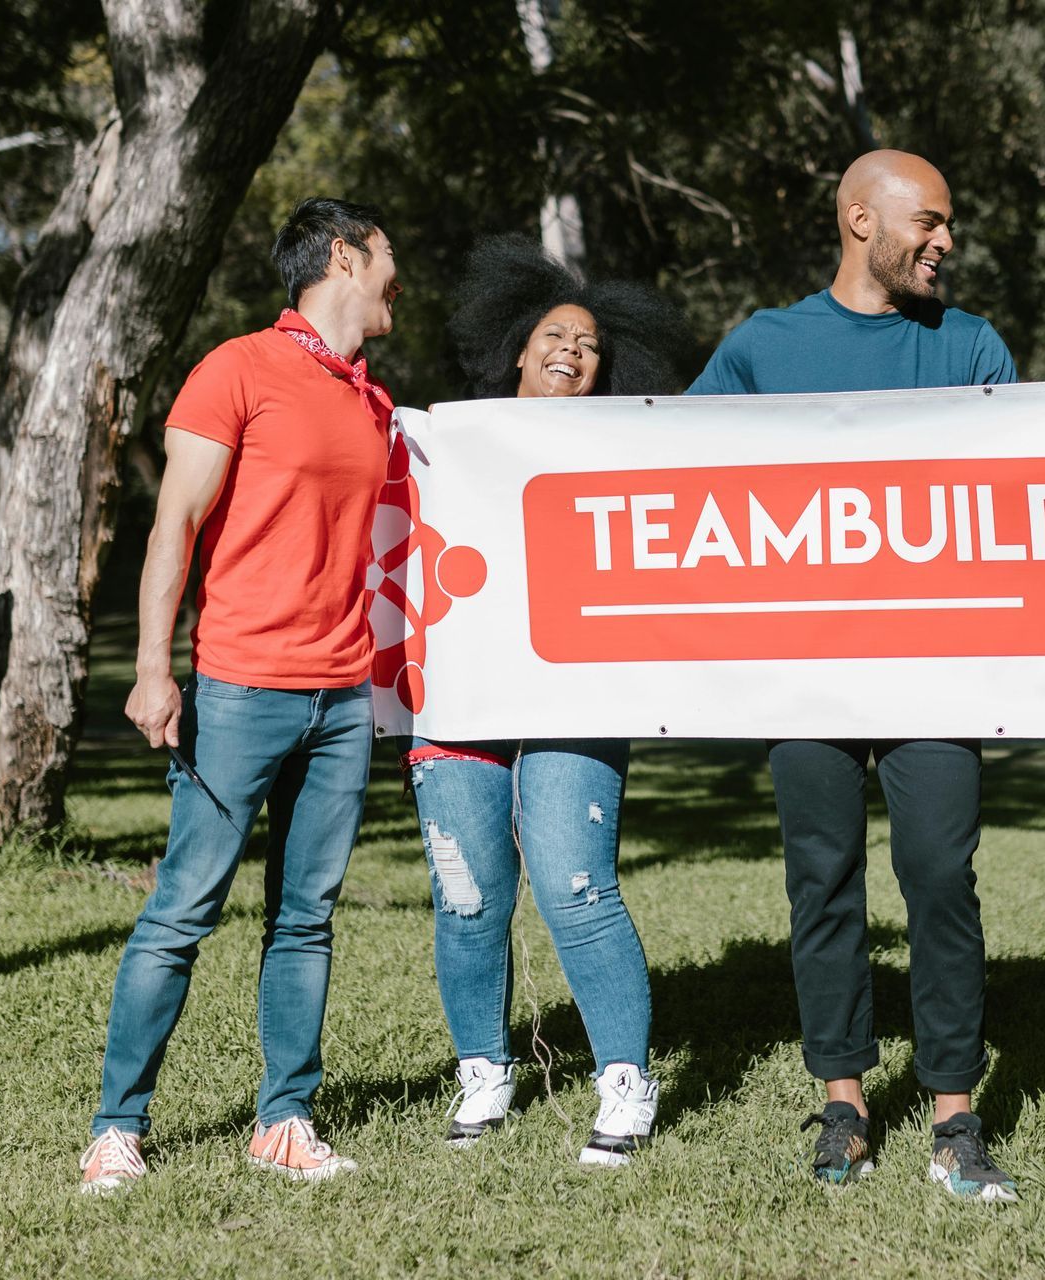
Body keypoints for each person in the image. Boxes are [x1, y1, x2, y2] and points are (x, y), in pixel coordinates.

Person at [688, 150, 1022, 1201]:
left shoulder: (970, 344)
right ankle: (843, 1098)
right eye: (927, 220)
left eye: (948, 223)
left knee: (939, 878)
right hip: (804, 670)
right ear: (857, 220)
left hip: (938, 667)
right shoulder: (764, 346)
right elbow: (657, 467)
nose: (946, 241)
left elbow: (1037, 480)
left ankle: (955, 1114)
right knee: (822, 880)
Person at [79, 197, 400, 1192]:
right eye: (388, 257)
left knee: (305, 916)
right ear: (345, 256)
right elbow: (173, 524)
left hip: (341, 696)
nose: (399, 277)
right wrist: (151, 665)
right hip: (241, 686)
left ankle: (285, 1119)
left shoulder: (370, 399)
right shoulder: (238, 368)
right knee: (182, 909)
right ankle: (117, 1127)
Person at [405, 235, 689, 1164]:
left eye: (592, 344)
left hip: (579, 693)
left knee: (576, 884)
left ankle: (623, 1081)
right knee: (470, 897)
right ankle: (483, 1072)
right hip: (459, 695)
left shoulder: (630, 447)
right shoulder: (450, 442)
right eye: (556, 334)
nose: (573, 349)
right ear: (518, 349)